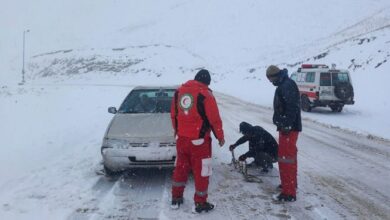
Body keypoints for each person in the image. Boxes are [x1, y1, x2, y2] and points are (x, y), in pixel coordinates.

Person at [170, 69, 225, 213]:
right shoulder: (205, 94)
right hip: (199, 142)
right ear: (207, 82)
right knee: (202, 172)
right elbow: (214, 119)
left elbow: (174, 115)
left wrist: (178, 131)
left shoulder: (179, 92)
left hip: (182, 140)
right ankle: (200, 203)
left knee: (181, 168)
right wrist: (220, 137)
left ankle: (176, 197)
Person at [266, 65, 302, 202]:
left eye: (270, 80)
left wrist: (286, 124)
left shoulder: (286, 85)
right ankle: (290, 184)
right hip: (287, 128)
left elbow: (292, 107)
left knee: (286, 160)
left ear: (274, 76)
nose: (271, 82)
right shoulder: (285, 84)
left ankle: (289, 192)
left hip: (289, 129)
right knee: (289, 158)